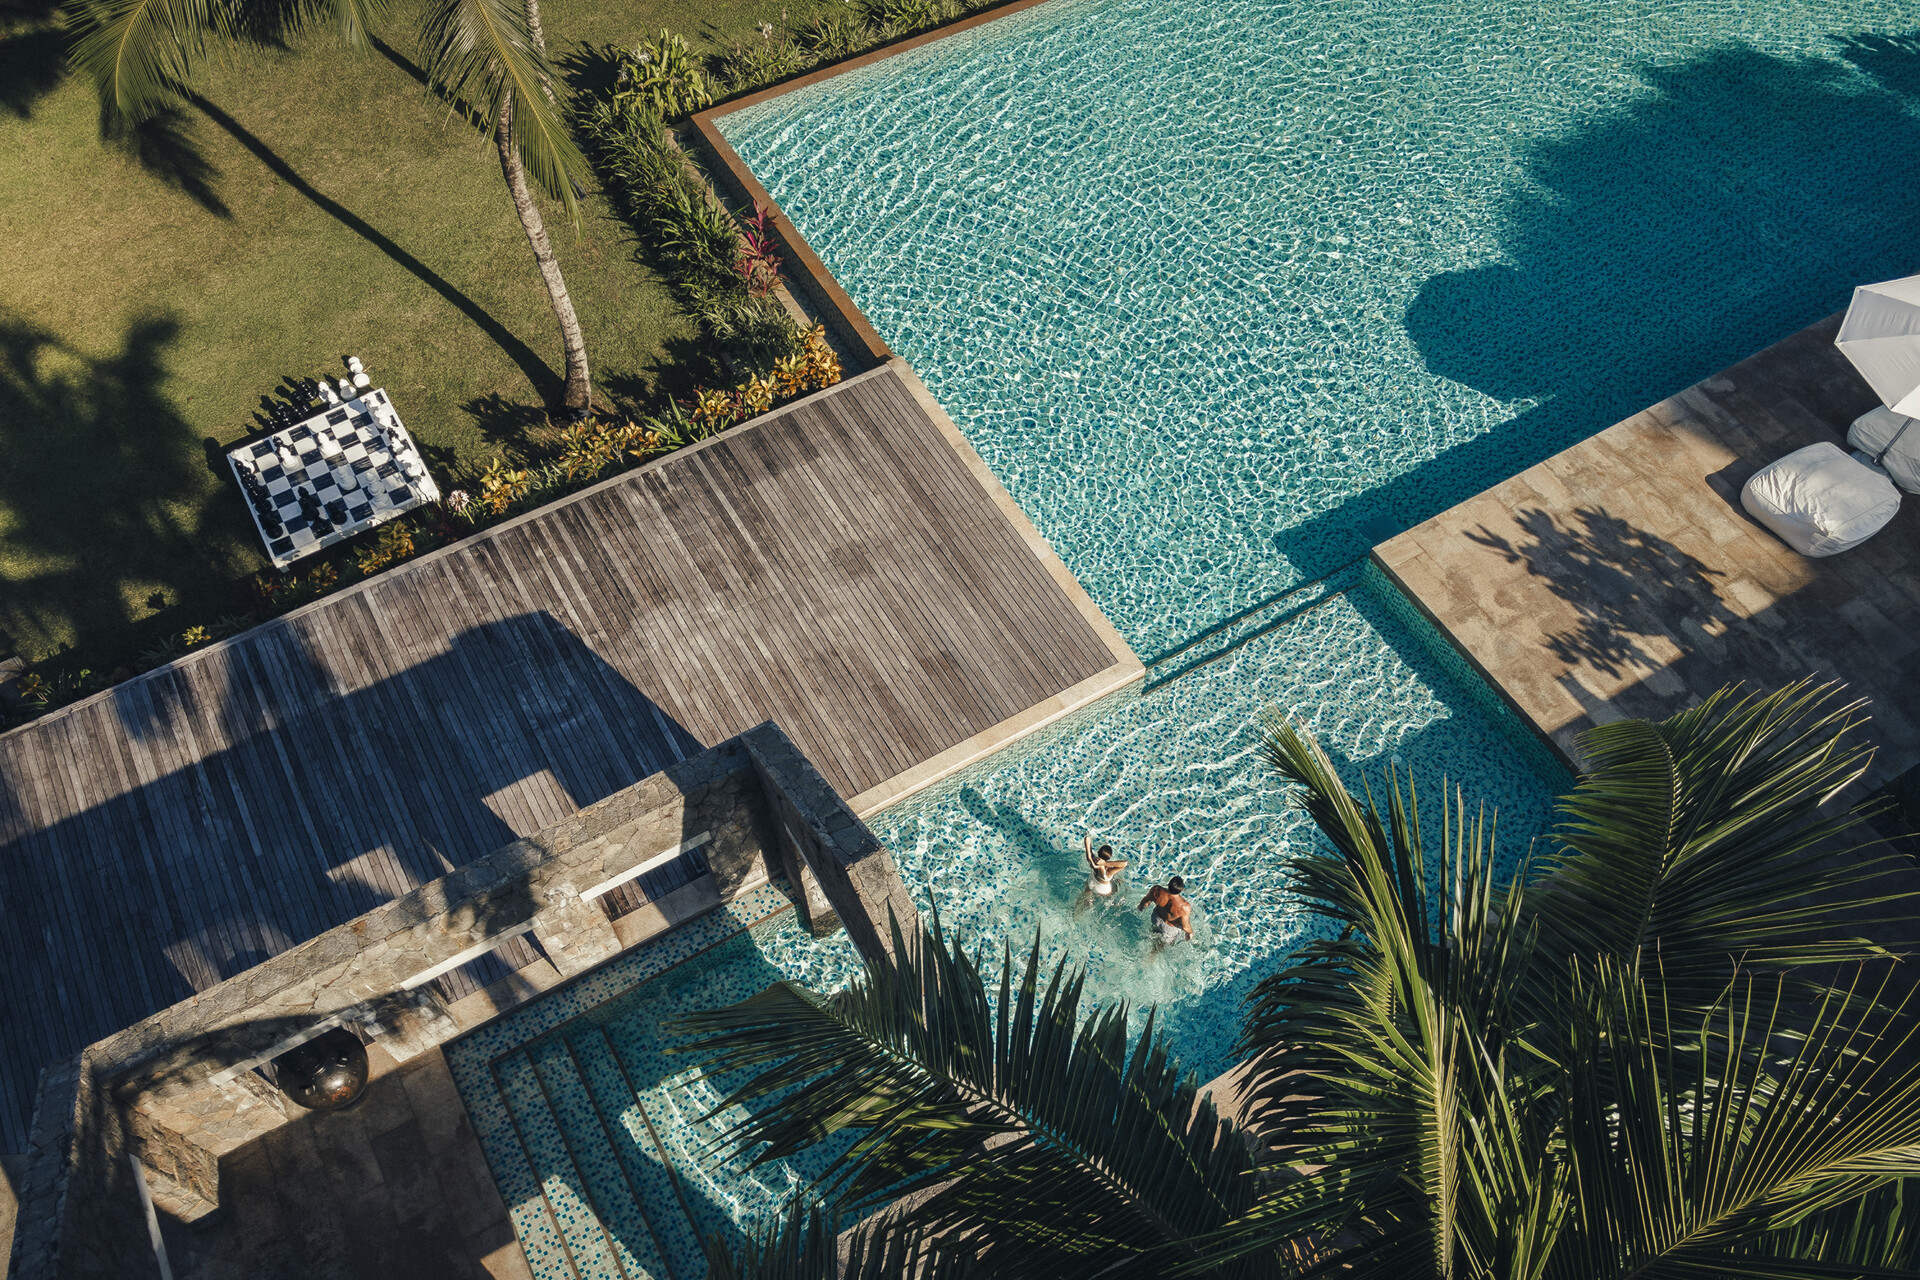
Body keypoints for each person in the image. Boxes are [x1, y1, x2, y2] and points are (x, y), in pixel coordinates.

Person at [1138, 876, 1193, 945]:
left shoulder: (1156, 890)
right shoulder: (1184, 907)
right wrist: (1190, 933)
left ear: (1168, 884)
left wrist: (1140, 908)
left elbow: (1145, 902)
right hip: (1169, 929)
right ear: (1181, 889)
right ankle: (1152, 955)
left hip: (1156, 918)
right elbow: (1185, 927)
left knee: (1154, 933)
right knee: (1159, 947)